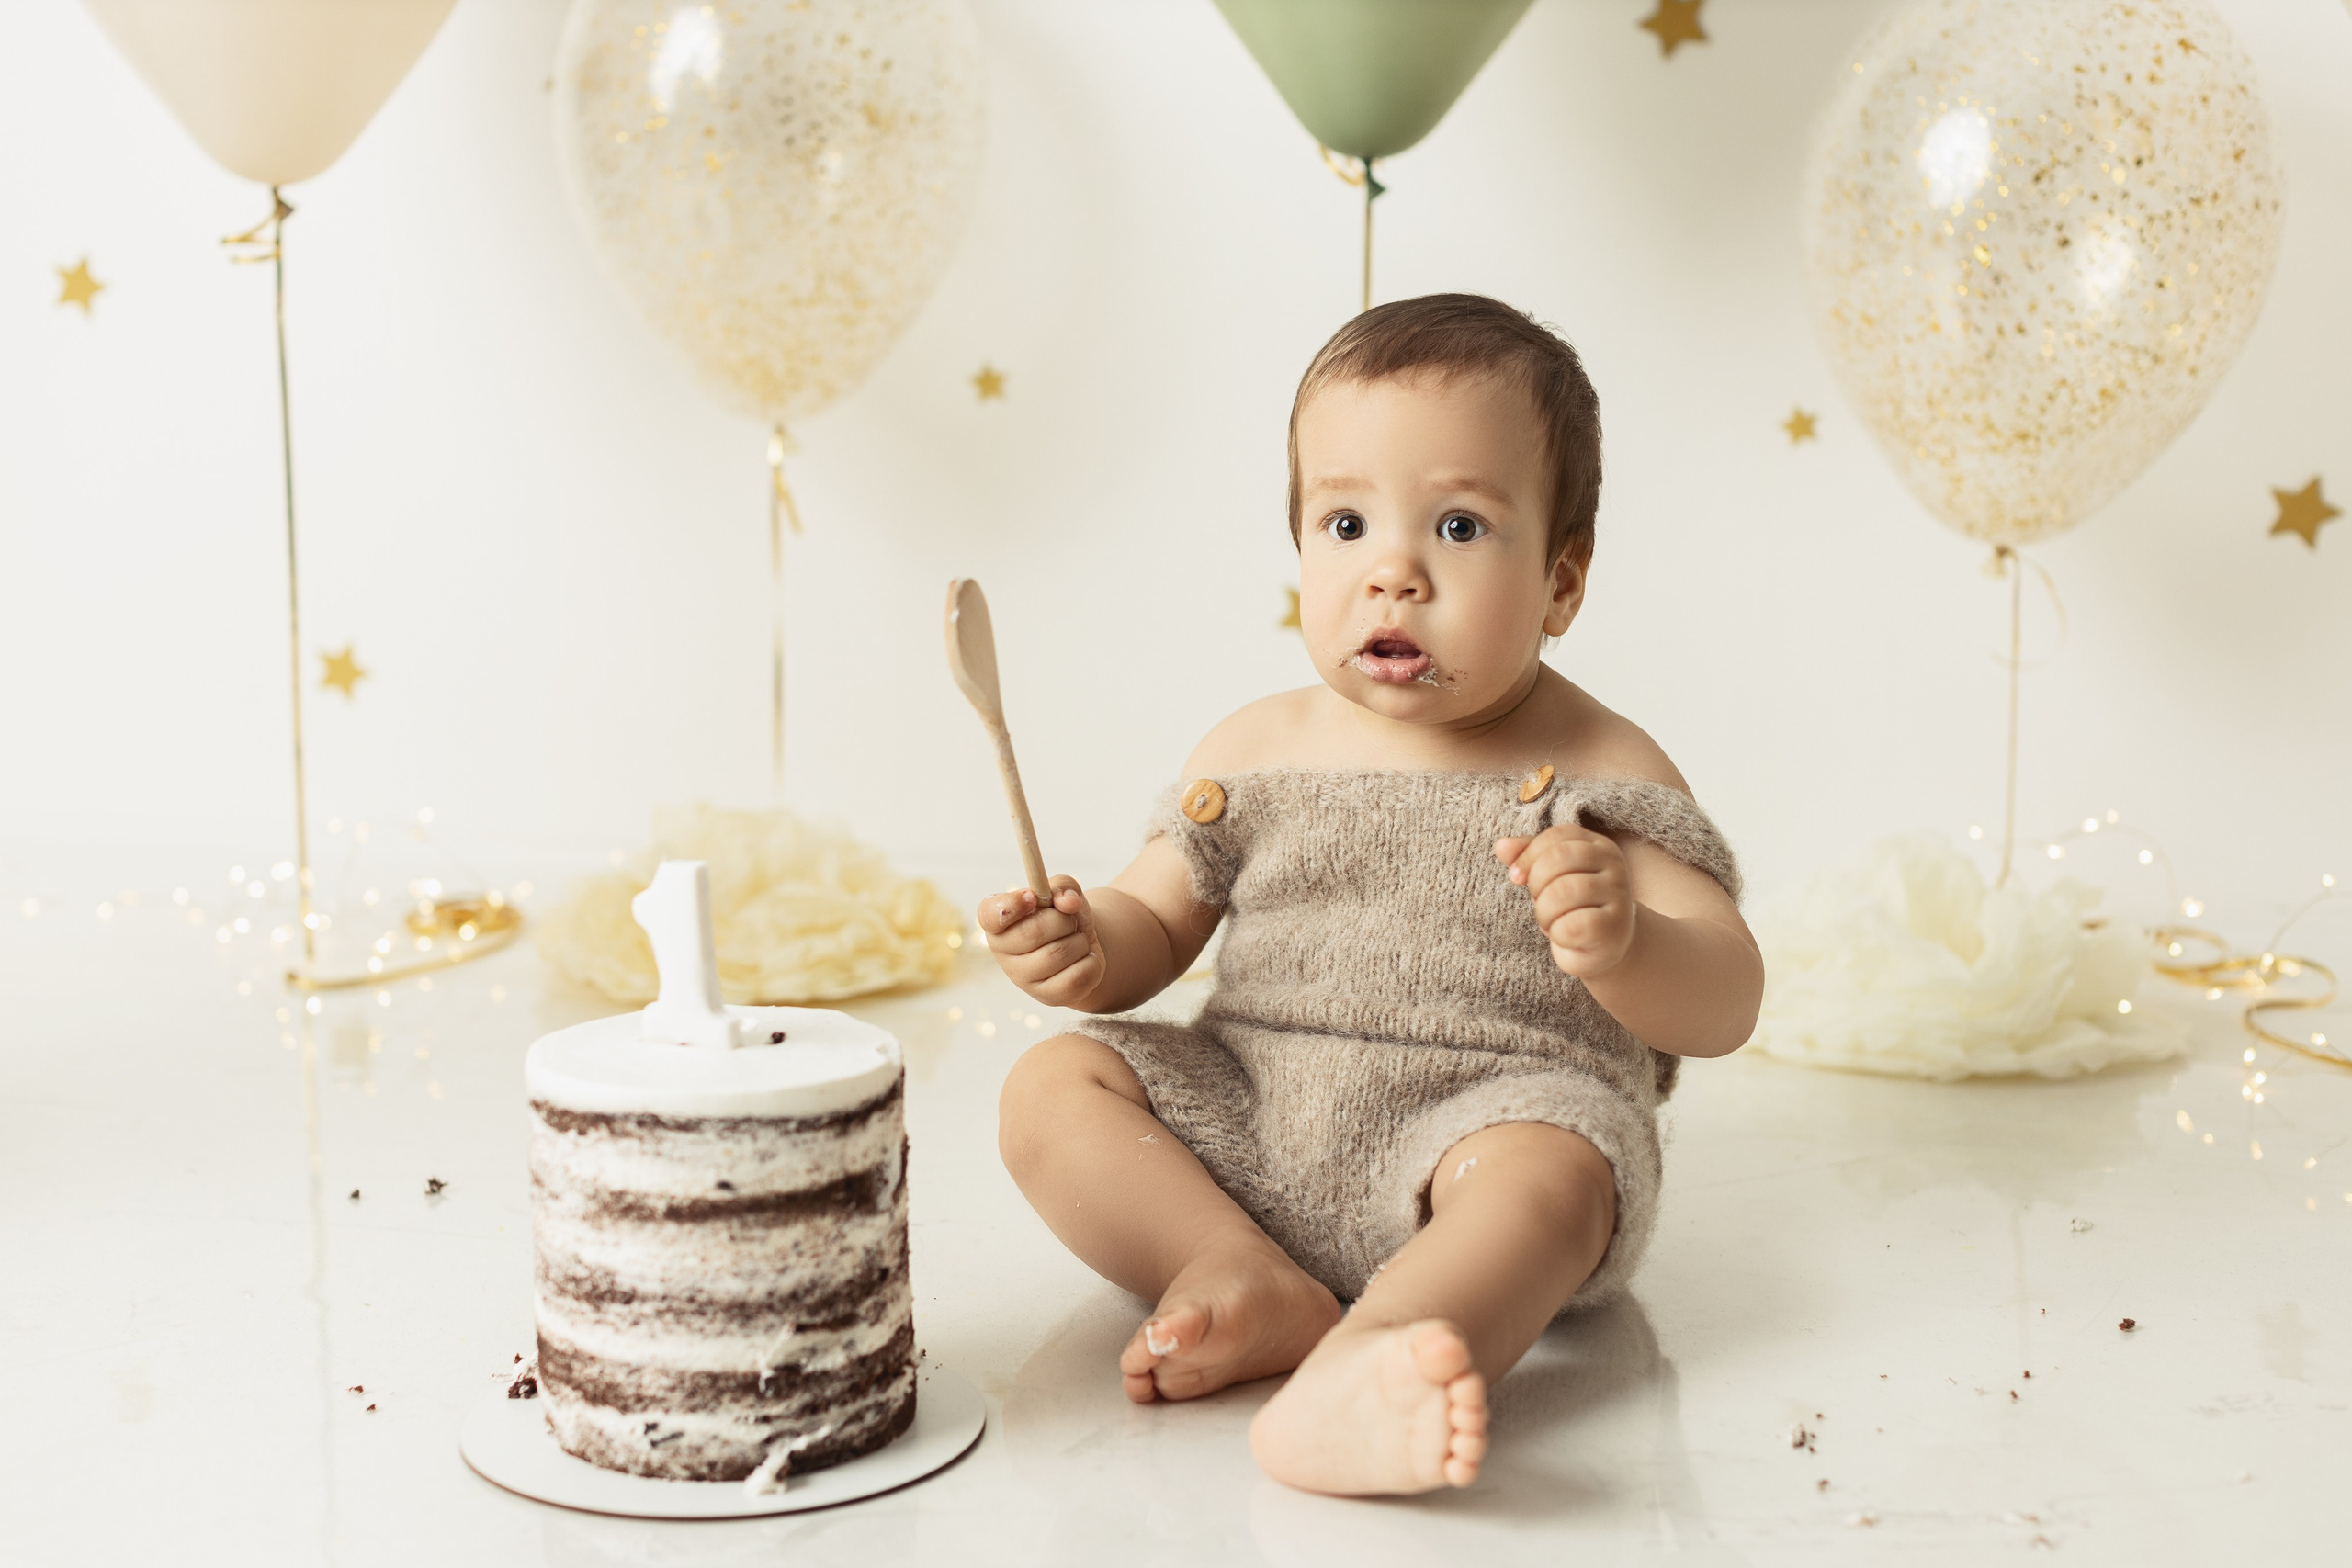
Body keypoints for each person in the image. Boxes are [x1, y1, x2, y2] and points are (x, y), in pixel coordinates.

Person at [981, 293, 1762, 1496]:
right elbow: (1153, 922)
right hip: (1252, 1106)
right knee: (1051, 1084)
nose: (1391, 573)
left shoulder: (1607, 769)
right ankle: (1234, 1269)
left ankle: (1381, 1355)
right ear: (1299, 550)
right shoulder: (1255, 746)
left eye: (1458, 525)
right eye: (1345, 522)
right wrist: (1086, 946)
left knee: (1557, 1177)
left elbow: (1726, 999)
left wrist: (1627, 940)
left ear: (1561, 582)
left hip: (1487, 1119)